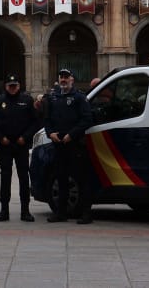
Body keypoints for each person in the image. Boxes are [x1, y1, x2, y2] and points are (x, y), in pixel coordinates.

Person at [41, 67, 94, 224]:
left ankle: (86, 213)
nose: (63, 80)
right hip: (59, 145)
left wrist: (72, 134)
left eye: (66, 77)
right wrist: (50, 133)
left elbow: (87, 119)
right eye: (61, 77)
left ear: (72, 79)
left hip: (75, 145)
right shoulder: (53, 98)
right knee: (61, 178)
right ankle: (61, 212)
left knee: (81, 179)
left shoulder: (79, 98)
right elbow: (47, 119)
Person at [0, 74, 39, 222]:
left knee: (23, 177)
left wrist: (25, 137)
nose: (12, 88)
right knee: (5, 178)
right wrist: (0, 138)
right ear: (6, 86)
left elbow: (35, 122)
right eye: (10, 85)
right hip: (5, 146)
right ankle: (4, 210)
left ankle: (25, 210)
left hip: (21, 145)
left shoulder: (27, 101)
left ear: (19, 86)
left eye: (15, 85)